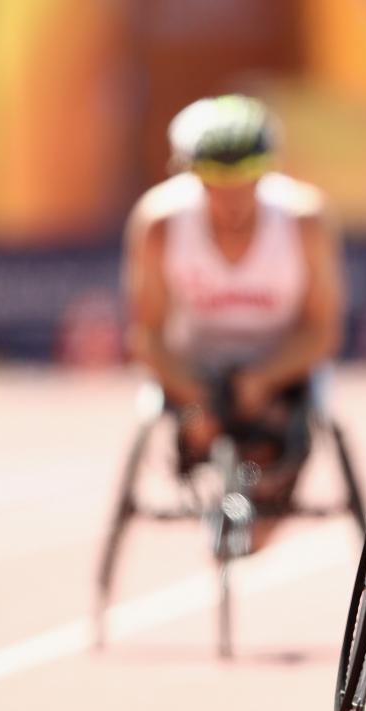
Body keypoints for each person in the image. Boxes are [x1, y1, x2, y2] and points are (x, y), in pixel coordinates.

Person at [123, 94, 345, 509]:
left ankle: (265, 496)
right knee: (194, 431)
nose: (232, 197)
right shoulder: (158, 225)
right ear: (191, 175)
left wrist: (261, 381)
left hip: (279, 375)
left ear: (267, 173)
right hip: (190, 377)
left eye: (244, 179)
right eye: (216, 182)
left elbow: (321, 331)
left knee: (269, 475)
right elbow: (146, 336)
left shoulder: (305, 222)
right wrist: (194, 398)